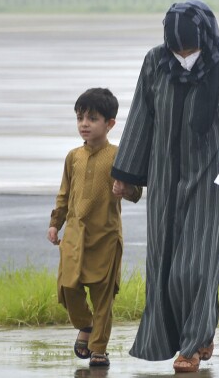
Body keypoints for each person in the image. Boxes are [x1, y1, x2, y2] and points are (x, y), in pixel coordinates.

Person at [110, 0, 219, 373]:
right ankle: (196, 332)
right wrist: (127, 174)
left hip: (214, 174)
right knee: (164, 262)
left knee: (194, 265)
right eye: (177, 49)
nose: (183, 56)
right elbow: (141, 115)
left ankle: (192, 347)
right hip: (164, 174)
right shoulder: (154, 62)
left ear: (205, 38)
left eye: (190, 49)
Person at [47, 87, 142, 368]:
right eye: (80, 118)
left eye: (92, 118)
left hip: (106, 237)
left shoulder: (118, 155)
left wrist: (124, 188)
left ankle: (99, 348)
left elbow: (136, 191)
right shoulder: (73, 157)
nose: (84, 124)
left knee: (103, 297)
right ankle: (85, 326)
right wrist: (55, 224)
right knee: (68, 288)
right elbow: (64, 194)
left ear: (110, 123)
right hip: (74, 236)